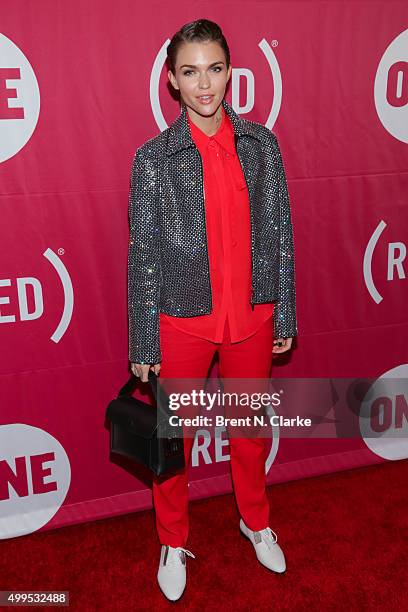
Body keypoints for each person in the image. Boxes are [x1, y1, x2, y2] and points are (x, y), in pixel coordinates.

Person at [127, 18, 298, 602]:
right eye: (191, 71)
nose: (206, 84)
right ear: (172, 81)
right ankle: (173, 539)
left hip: (252, 318)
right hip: (181, 323)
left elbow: (279, 233)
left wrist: (286, 313)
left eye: (216, 69)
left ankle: (255, 520)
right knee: (170, 440)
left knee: (249, 431)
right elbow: (142, 256)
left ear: (232, 72)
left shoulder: (261, 145)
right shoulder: (153, 160)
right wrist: (144, 343)